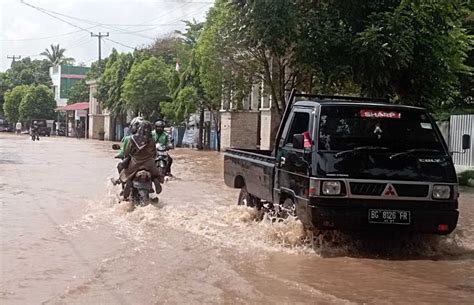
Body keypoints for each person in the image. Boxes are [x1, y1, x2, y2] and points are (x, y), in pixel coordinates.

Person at [118, 121, 162, 200]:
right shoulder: (151, 140)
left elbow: (127, 152)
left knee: (127, 174)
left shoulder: (132, 139)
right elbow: (154, 153)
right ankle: (154, 179)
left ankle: (129, 181)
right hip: (150, 164)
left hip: (135, 164)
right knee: (157, 174)